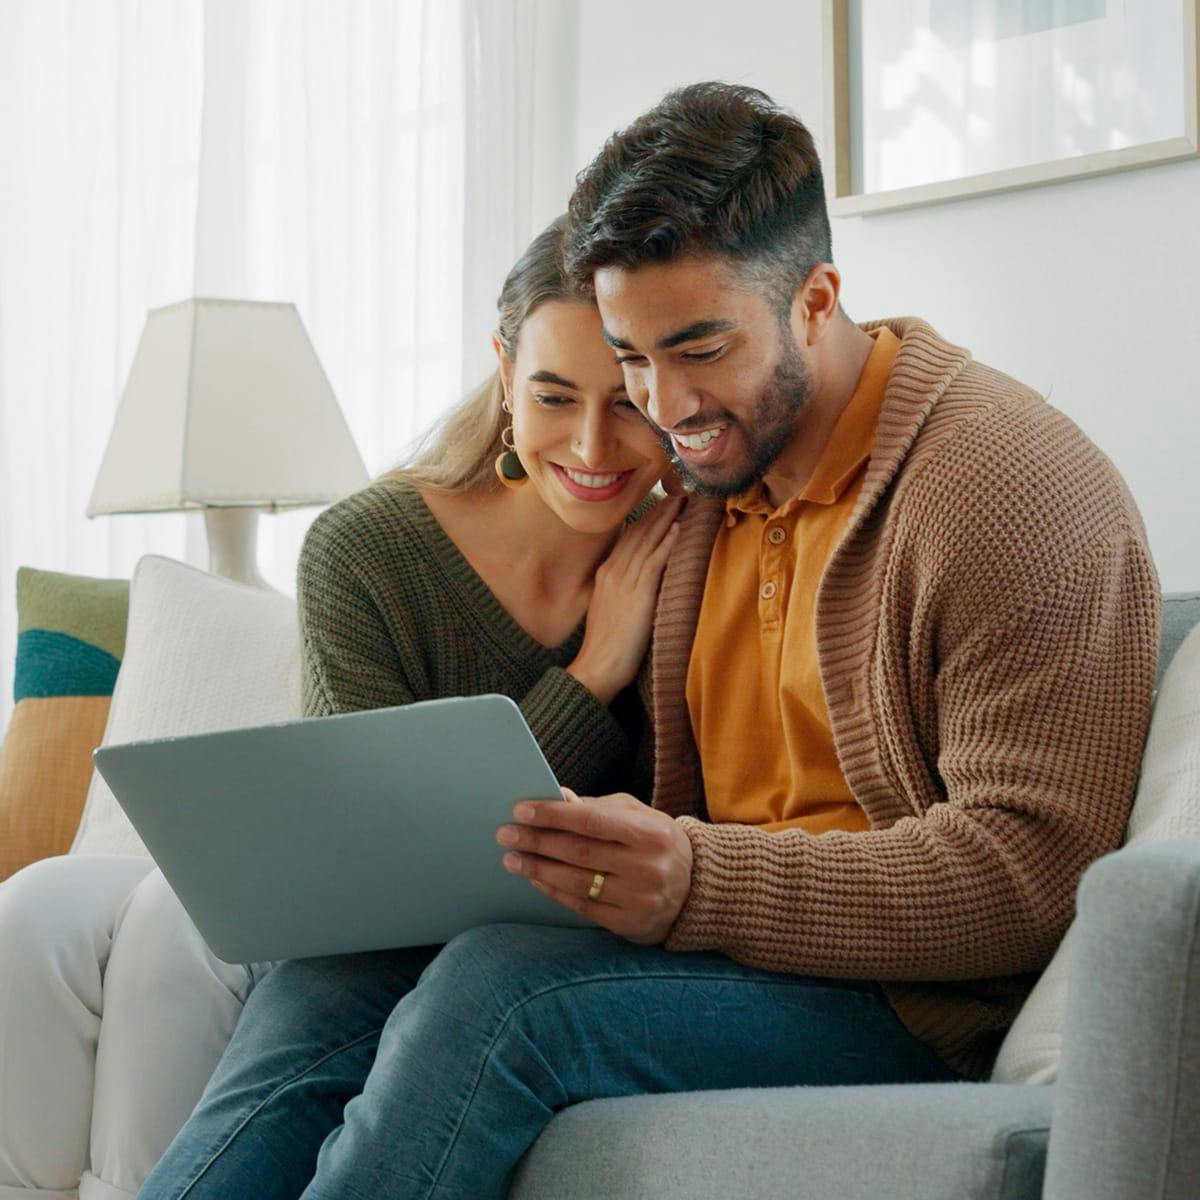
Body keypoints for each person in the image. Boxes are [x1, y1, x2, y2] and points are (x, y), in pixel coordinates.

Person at [140, 85, 1160, 1200]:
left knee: (503, 994)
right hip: (720, 952)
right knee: (330, 982)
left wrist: (702, 879)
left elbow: (1036, 871)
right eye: (633, 355)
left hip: (905, 998)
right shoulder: (704, 483)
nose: (662, 404)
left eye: (699, 348)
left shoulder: (1003, 489)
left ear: (815, 301)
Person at [0, 216, 673, 1200]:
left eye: (627, 404)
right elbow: (363, 870)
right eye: (553, 395)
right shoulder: (368, 548)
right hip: (367, 940)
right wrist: (591, 677)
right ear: (502, 371)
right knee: (281, 996)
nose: (590, 444)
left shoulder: (689, 557)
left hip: (560, 947)